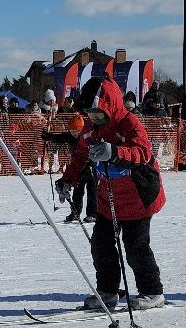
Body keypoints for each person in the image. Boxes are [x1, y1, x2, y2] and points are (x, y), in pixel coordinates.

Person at [62, 77, 167, 311]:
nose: (94, 118)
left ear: (109, 105)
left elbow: (142, 152)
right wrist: (68, 179)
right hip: (108, 197)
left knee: (135, 245)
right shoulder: (90, 129)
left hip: (138, 196)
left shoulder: (129, 123)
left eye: (98, 113)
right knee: (101, 245)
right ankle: (108, 291)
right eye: (90, 114)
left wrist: (115, 152)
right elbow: (80, 155)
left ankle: (152, 291)